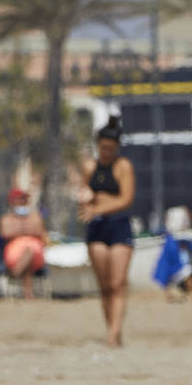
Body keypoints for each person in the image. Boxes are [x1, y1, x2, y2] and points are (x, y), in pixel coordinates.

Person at [78, 116, 136, 347]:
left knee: (118, 283)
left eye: (111, 149)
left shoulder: (123, 167)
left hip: (119, 227)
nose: (107, 152)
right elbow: (84, 198)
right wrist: (87, 202)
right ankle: (110, 327)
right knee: (105, 287)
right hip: (97, 229)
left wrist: (99, 202)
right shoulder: (90, 167)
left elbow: (126, 199)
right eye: (103, 148)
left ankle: (115, 334)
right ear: (97, 145)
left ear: (117, 147)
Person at [0, 188, 48, 300]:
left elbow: (40, 232)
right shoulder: (6, 218)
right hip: (14, 253)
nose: (23, 202)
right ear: (13, 201)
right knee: (27, 255)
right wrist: (27, 229)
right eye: (20, 199)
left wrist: (18, 230)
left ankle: (16, 272)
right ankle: (28, 292)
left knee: (29, 252)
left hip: (35, 253)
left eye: (25, 199)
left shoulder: (36, 216)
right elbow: (5, 233)